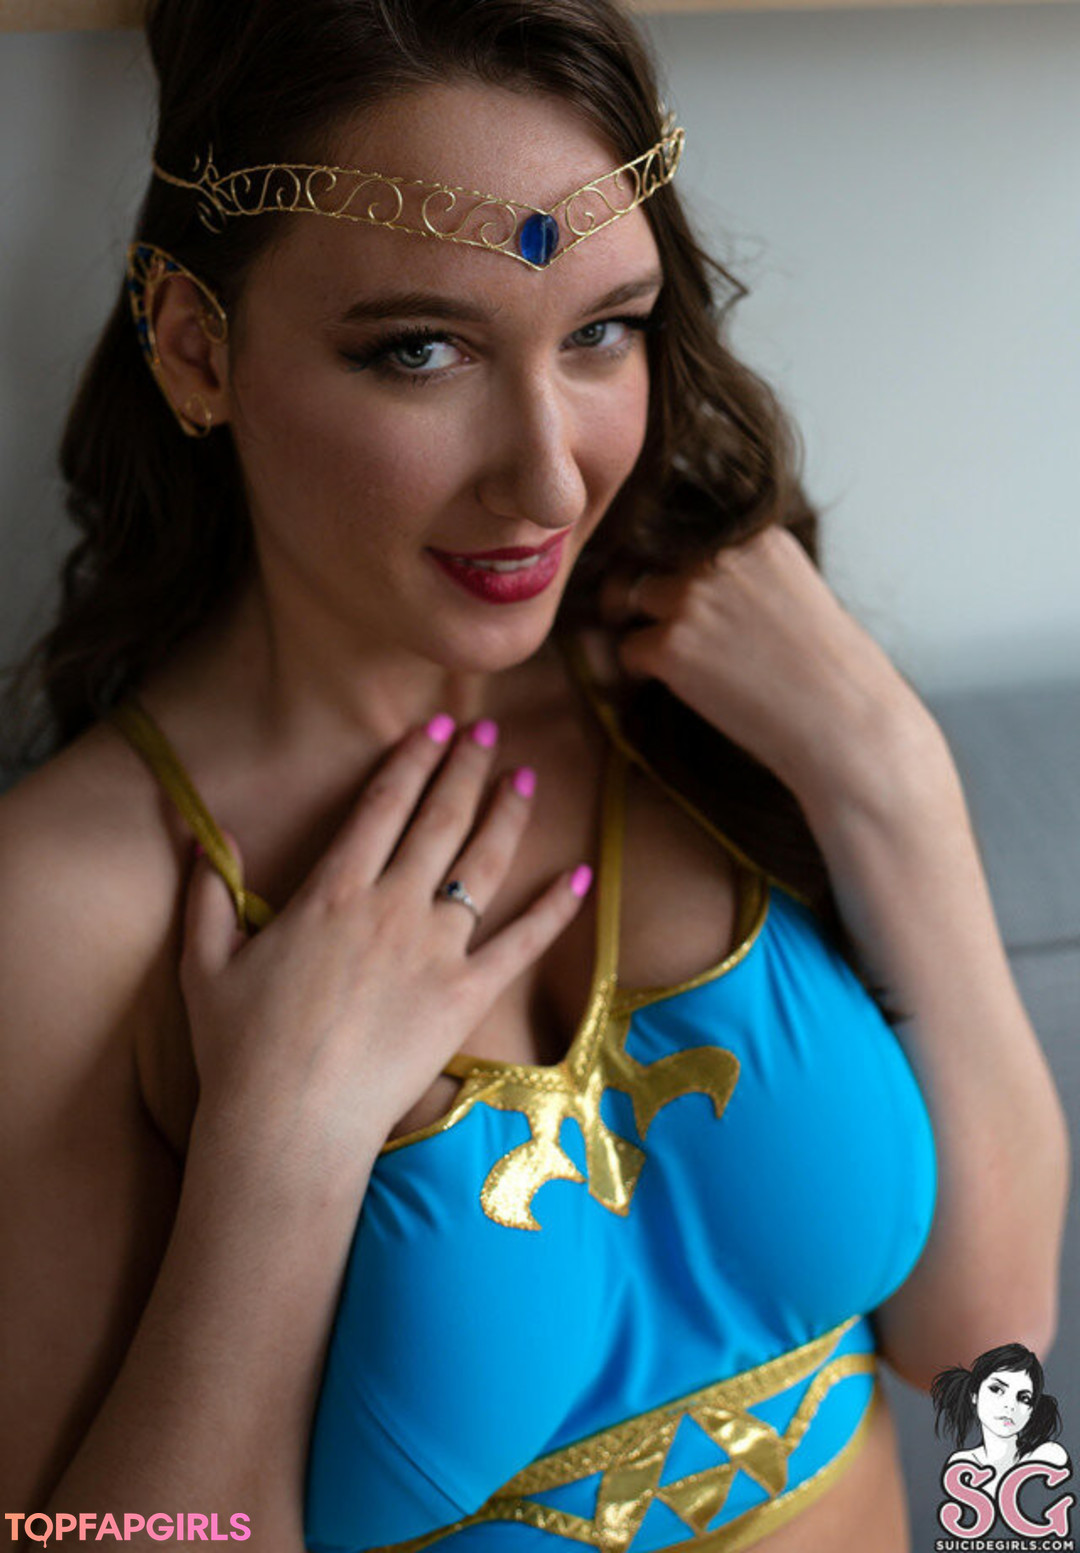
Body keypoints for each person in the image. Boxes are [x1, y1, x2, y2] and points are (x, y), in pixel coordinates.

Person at [0, 1, 1068, 1550]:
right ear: (197, 348)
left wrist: (892, 780)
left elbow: (982, 1337)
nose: (552, 474)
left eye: (602, 332)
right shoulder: (71, 909)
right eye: (420, 350)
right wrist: (281, 1151)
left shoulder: (716, 706)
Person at [932, 1345, 1070, 1497]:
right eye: (997, 1389)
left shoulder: (1048, 1455)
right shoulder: (962, 1464)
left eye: (1024, 1398)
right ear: (974, 1394)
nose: (1010, 1406)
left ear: (1032, 1410)